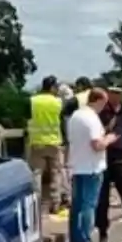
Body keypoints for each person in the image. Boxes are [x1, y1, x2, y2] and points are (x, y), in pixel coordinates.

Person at [66, 88, 117, 242]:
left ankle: (74, 240)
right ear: (99, 101)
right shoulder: (92, 118)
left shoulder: (75, 116)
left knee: (77, 205)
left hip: (77, 164)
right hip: (92, 167)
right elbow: (97, 145)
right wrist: (109, 138)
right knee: (89, 205)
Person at [95, 85, 122, 242]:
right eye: (112, 93)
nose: (115, 96)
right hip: (104, 159)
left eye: (118, 93)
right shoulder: (101, 113)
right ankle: (103, 233)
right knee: (102, 200)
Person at [27, 75, 67, 215]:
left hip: (37, 141)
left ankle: (36, 205)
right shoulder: (58, 102)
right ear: (52, 87)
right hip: (54, 141)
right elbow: (62, 120)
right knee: (55, 173)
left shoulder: (33, 101)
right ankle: (55, 204)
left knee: (37, 173)